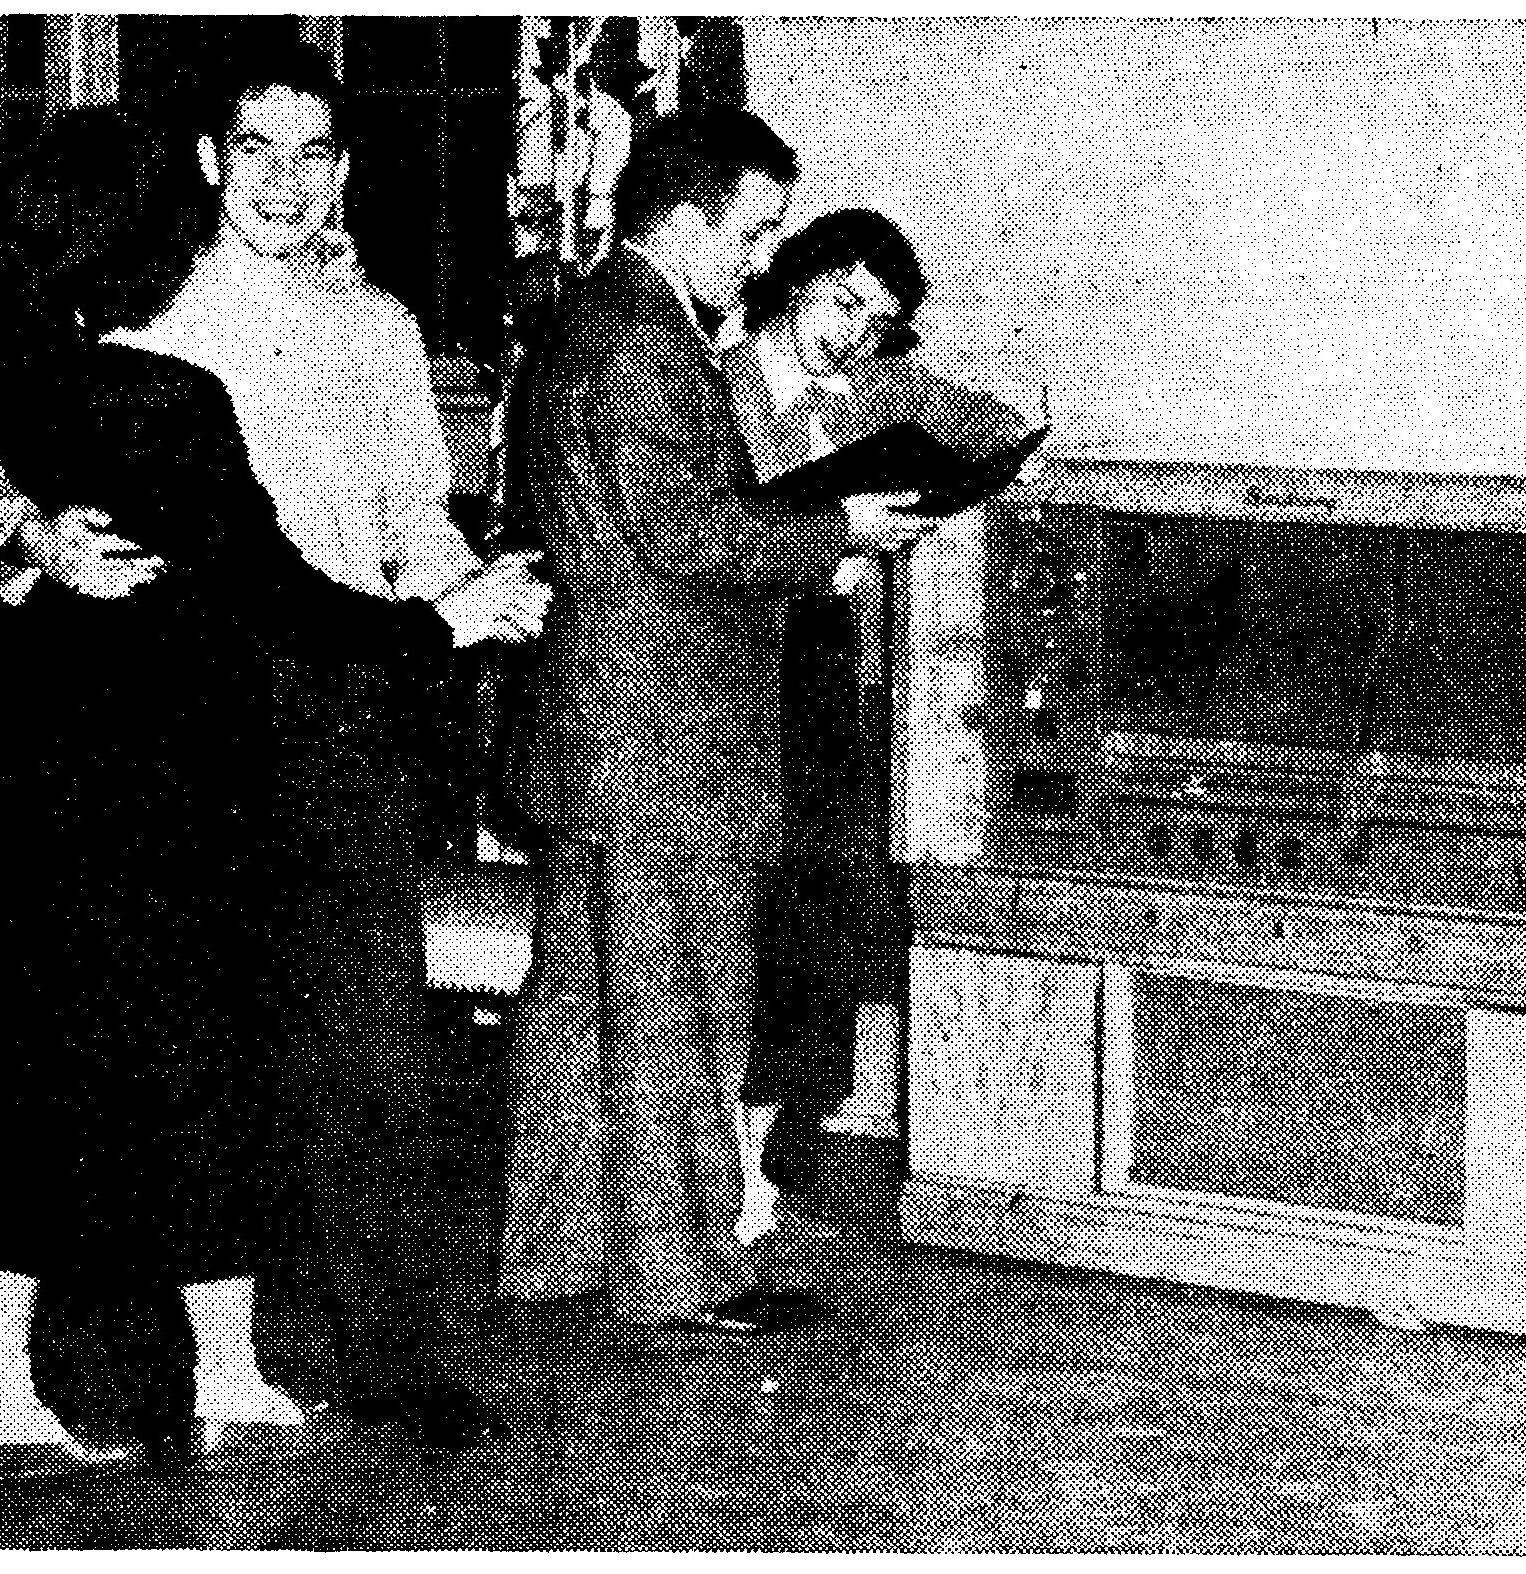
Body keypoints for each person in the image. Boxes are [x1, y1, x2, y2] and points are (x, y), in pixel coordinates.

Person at [0, 107, 534, 1485]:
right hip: (192, 770)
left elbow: (400, 517)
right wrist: (447, 625)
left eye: (314, 154)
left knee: (127, 1069)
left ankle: (190, 1372)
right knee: (173, 1073)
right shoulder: (162, 381)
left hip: (97, 771)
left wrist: (446, 584)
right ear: (191, 190)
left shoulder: (28, 366)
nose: (280, 183)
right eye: (250, 154)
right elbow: (269, 589)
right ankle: (95, 1382)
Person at [501, 109, 928, 1343]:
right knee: (681, 1006)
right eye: (753, 231)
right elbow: (683, 531)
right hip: (667, 738)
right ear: (687, 221)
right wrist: (837, 532)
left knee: (584, 1012)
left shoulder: (593, 322)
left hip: (603, 728)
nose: (759, 258)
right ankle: (685, 1273)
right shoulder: (646, 338)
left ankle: (560, 1252)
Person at [723, 209, 1033, 1225]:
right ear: (791, 281)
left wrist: (979, 461)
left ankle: (776, 1137)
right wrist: (827, 528)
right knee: (760, 919)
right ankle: (730, 1154)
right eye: (842, 303)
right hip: (740, 677)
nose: (853, 334)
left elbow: (991, 423)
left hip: (829, 679)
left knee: (829, 913)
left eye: (877, 321)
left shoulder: (866, 393)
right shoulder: (718, 388)